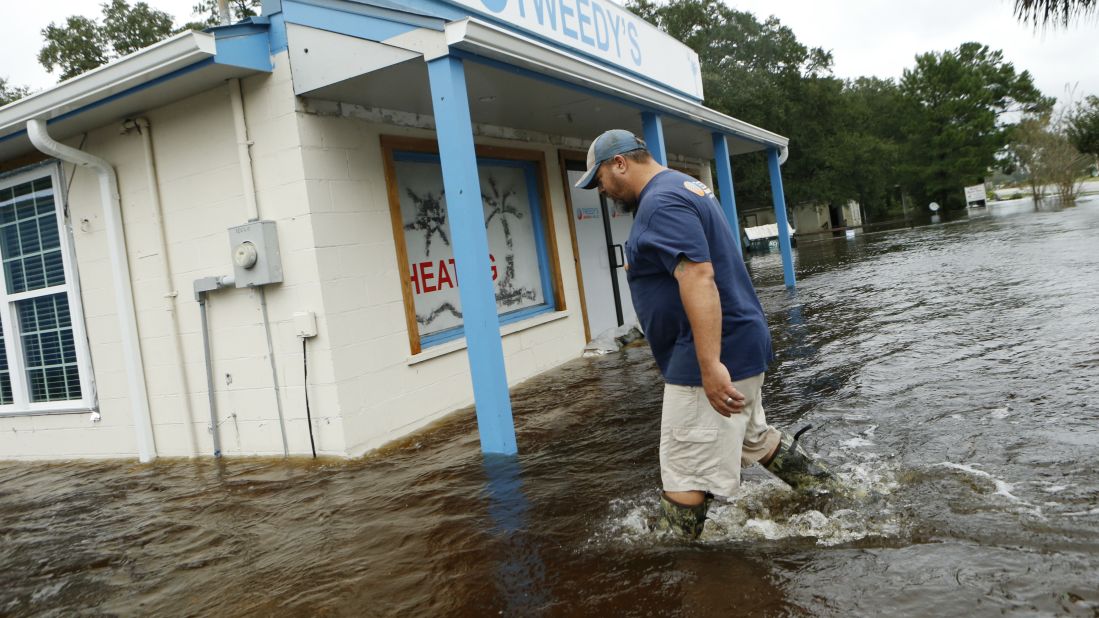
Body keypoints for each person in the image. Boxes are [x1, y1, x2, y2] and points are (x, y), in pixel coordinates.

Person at [574, 129, 836, 539]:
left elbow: (698, 276)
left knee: (684, 474)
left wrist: (710, 364)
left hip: (707, 356)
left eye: (600, 179)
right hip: (738, 341)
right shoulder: (684, 186)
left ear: (620, 163)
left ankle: (686, 570)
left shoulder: (660, 203)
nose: (601, 190)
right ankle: (838, 496)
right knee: (755, 440)